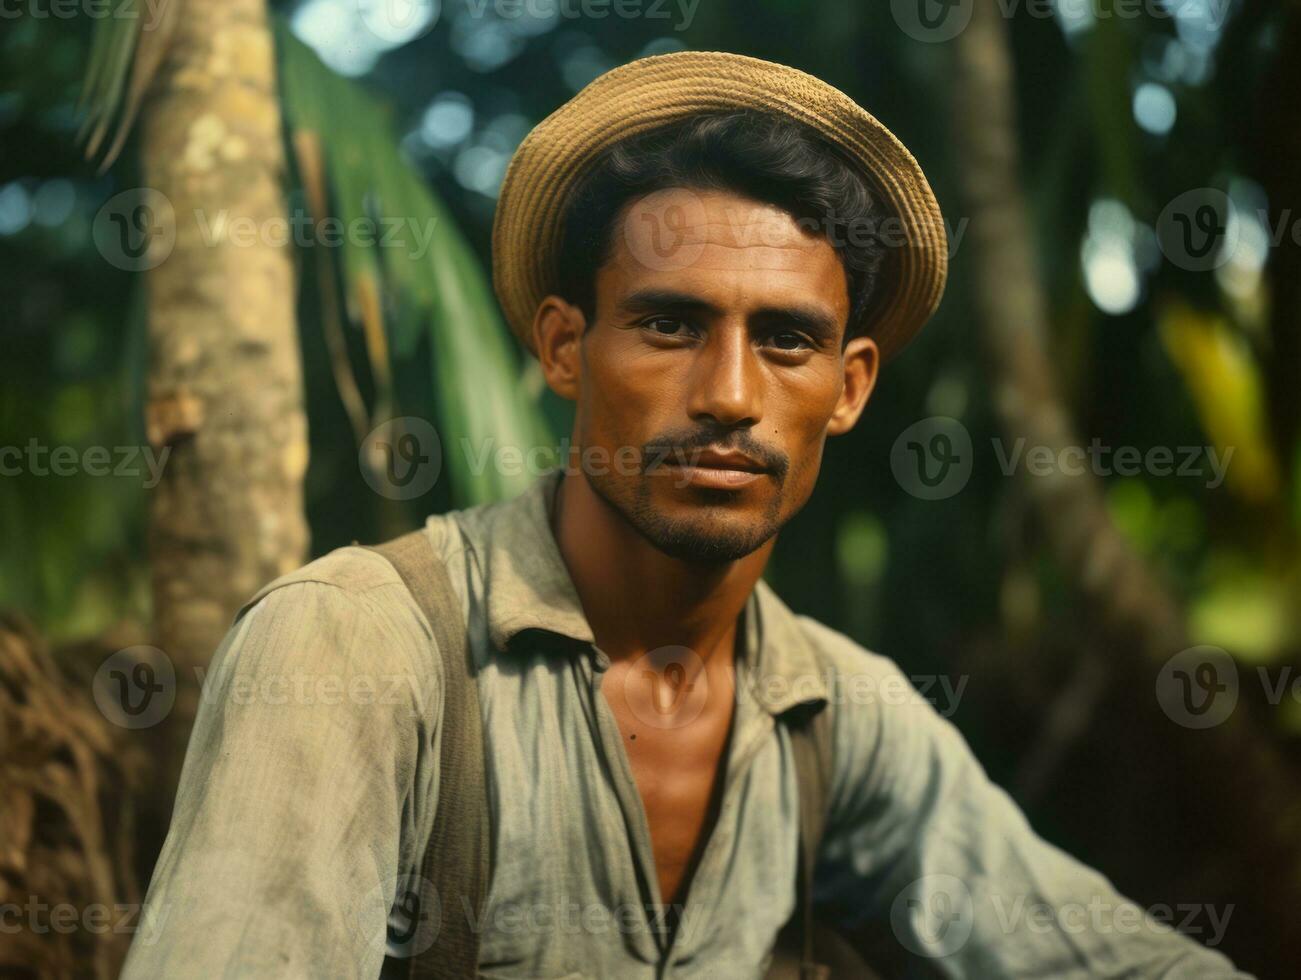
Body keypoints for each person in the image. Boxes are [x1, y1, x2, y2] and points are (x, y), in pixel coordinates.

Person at [122, 51, 1249, 978]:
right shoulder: (357, 646)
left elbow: (1102, 954)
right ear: (566, 346)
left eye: (786, 339)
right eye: (667, 325)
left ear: (849, 387)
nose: (728, 394)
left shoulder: (831, 715)